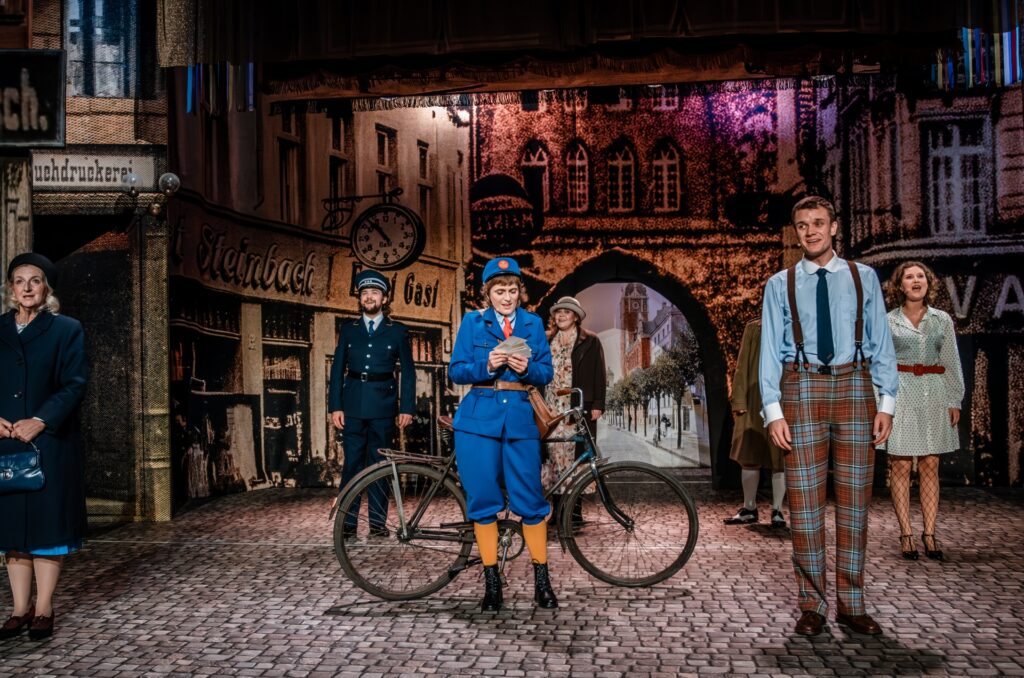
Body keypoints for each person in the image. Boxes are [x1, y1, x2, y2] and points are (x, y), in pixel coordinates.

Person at [759, 196, 897, 637]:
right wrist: (773, 411)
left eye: (818, 223)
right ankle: (812, 605)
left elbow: (880, 341)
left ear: (834, 227)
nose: (811, 231)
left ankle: (852, 604)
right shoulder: (779, 284)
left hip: (855, 385)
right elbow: (769, 351)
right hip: (800, 388)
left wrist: (887, 402)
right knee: (804, 506)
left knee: (855, 503)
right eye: (803, 225)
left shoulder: (863, 277)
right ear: (796, 231)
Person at [449, 257, 556, 611]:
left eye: (512, 290)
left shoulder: (533, 323)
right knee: (483, 502)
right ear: (488, 294)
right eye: (499, 291)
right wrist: (486, 365)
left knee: (531, 501)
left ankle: (542, 582)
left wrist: (530, 369)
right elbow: (457, 371)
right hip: (478, 423)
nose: (507, 297)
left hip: (521, 422)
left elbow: (546, 372)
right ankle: (492, 584)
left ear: (520, 292)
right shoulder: (472, 322)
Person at [0, 253, 88, 641]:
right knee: (13, 531)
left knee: (47, 531)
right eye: (20, 281)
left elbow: (75, 383)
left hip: (50, 443)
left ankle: (44, 609)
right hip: (5, 442)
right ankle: (19, 610)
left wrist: (42, 420)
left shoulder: (66, 329)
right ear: (10, 288)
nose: (27, 287)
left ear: (46, 288)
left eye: (35, 280)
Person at [883, 261, 964, 561]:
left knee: (930, 464)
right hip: (901, 394)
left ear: (928, 283)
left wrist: (954, 399)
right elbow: (881, 362)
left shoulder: (941, 319)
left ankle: (929, 533)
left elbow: (951, 359)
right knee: (901, 466)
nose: (916, 281)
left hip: (934, 393)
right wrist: (881, 403)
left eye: (921, 276)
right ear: (900, 285)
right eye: (909, 277)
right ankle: (906, 533)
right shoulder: (889, 321)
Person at [328, 269, 415, 537]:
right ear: (360, 298)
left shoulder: (397, 331)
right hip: (352, 405)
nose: (369, 297)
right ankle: (347, 524)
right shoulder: (348, 330)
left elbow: (408, 372)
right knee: (352, 464)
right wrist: (335, 406)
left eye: (374, 293)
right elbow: (337, 369)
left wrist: (406, 407)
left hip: (383, 406)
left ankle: (377, 525)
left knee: (379, 465)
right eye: (364, 293)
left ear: (384, 298)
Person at [541, 296, 606, 522]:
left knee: (577, 459)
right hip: (551, 408)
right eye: (558, 312)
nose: (561, 315)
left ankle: (575, 513)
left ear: (576, 316)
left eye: (566, 312)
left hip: (577, 407)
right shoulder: (546, 339)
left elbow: (599, 373)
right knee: (554, 458)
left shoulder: (590, 340)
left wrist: (598, 403)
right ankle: (558, 512)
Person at [724, 319, 786, 529]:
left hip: (784, 398)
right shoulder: (755, 328)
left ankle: (778, 509)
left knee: (780, 458)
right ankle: (749, 507)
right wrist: (739, 401)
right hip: (754, 398)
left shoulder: (793, 327)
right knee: (749, 455)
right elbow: (742, 366)